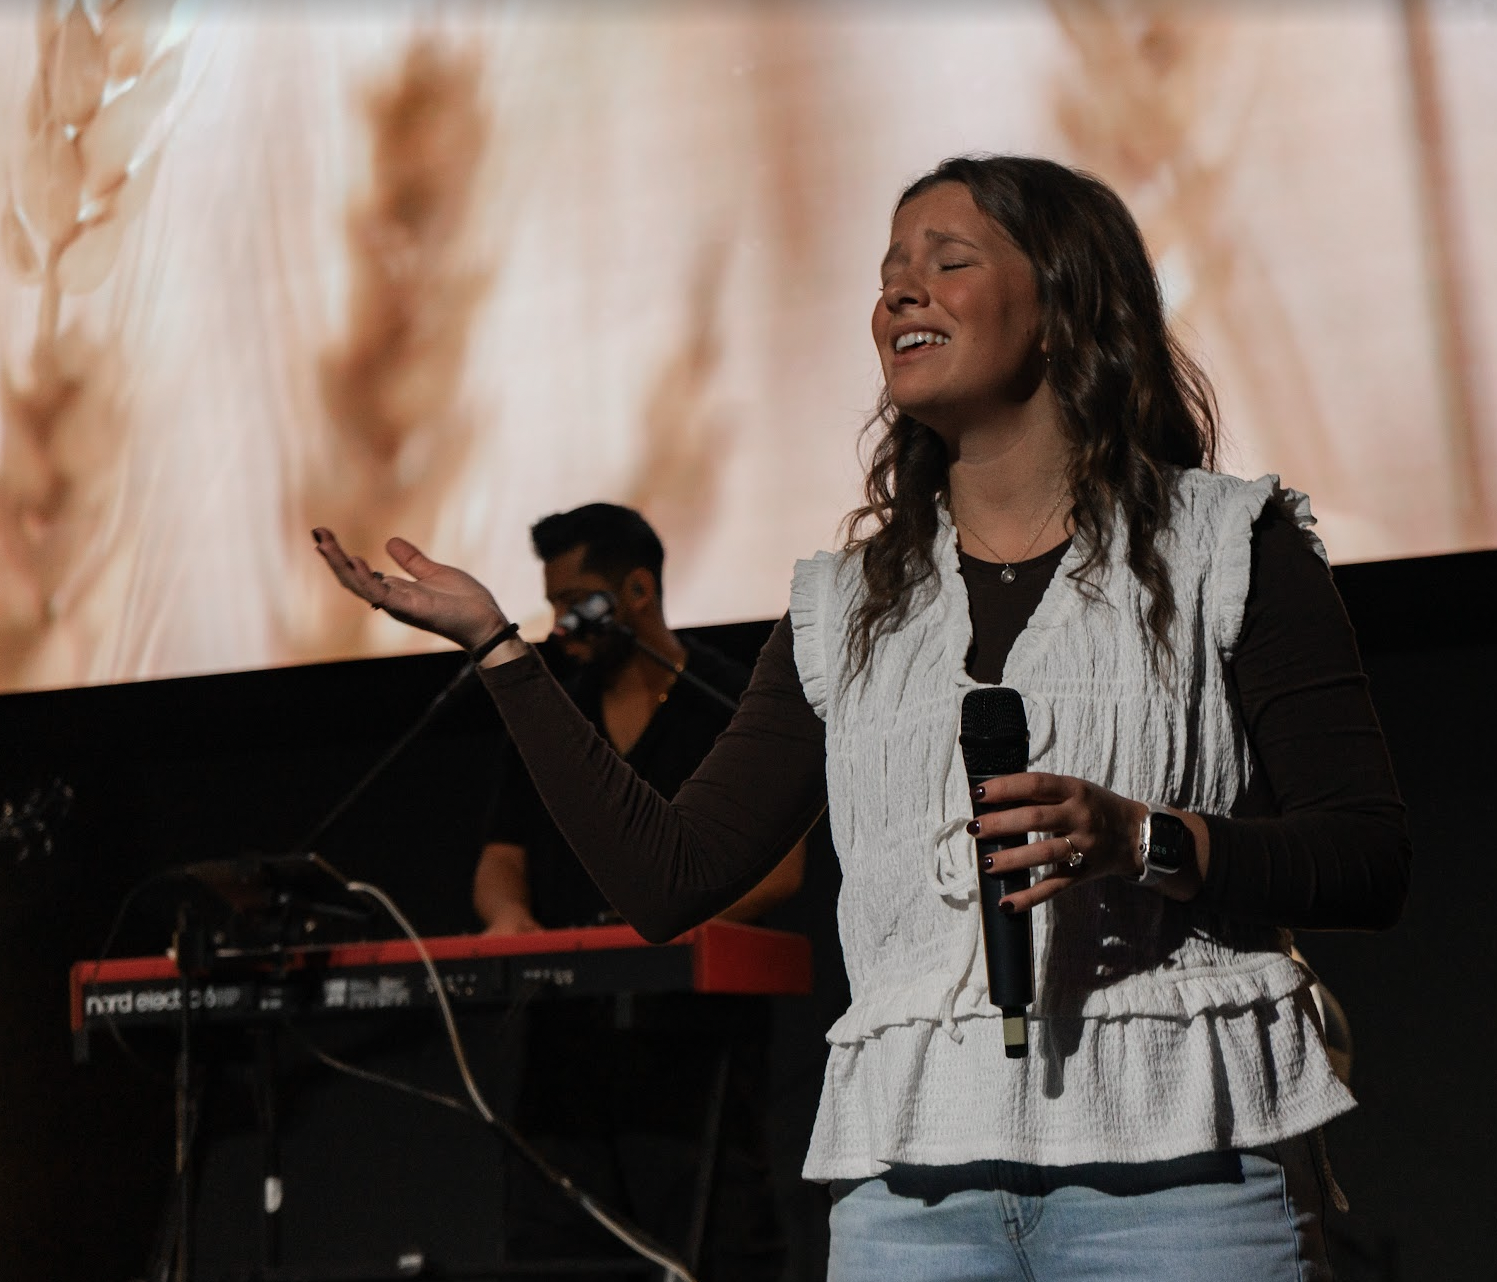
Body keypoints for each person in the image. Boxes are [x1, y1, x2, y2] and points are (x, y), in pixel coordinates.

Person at [316, 153, 1412, 1281]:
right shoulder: (846, 608)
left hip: (1180, 1181)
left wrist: (1144, 840)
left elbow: (1368, 859)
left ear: (1063, 305)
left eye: (948, 261)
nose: (899, 291)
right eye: (889, 271)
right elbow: (668, 878)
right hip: (913, 1201)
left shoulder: (1228, 549)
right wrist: (501, 652)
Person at [479, 503, 802, 1280]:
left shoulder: (732, 701)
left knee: (710, 1247)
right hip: (564, 1055)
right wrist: (508, 914)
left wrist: (657, 934)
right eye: (551, 603)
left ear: (637, 591)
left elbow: (782, 869)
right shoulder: (556, 714)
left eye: (574, 601)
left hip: (693, 1049)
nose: (559, 624)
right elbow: (500, 858)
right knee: (555, 1254)